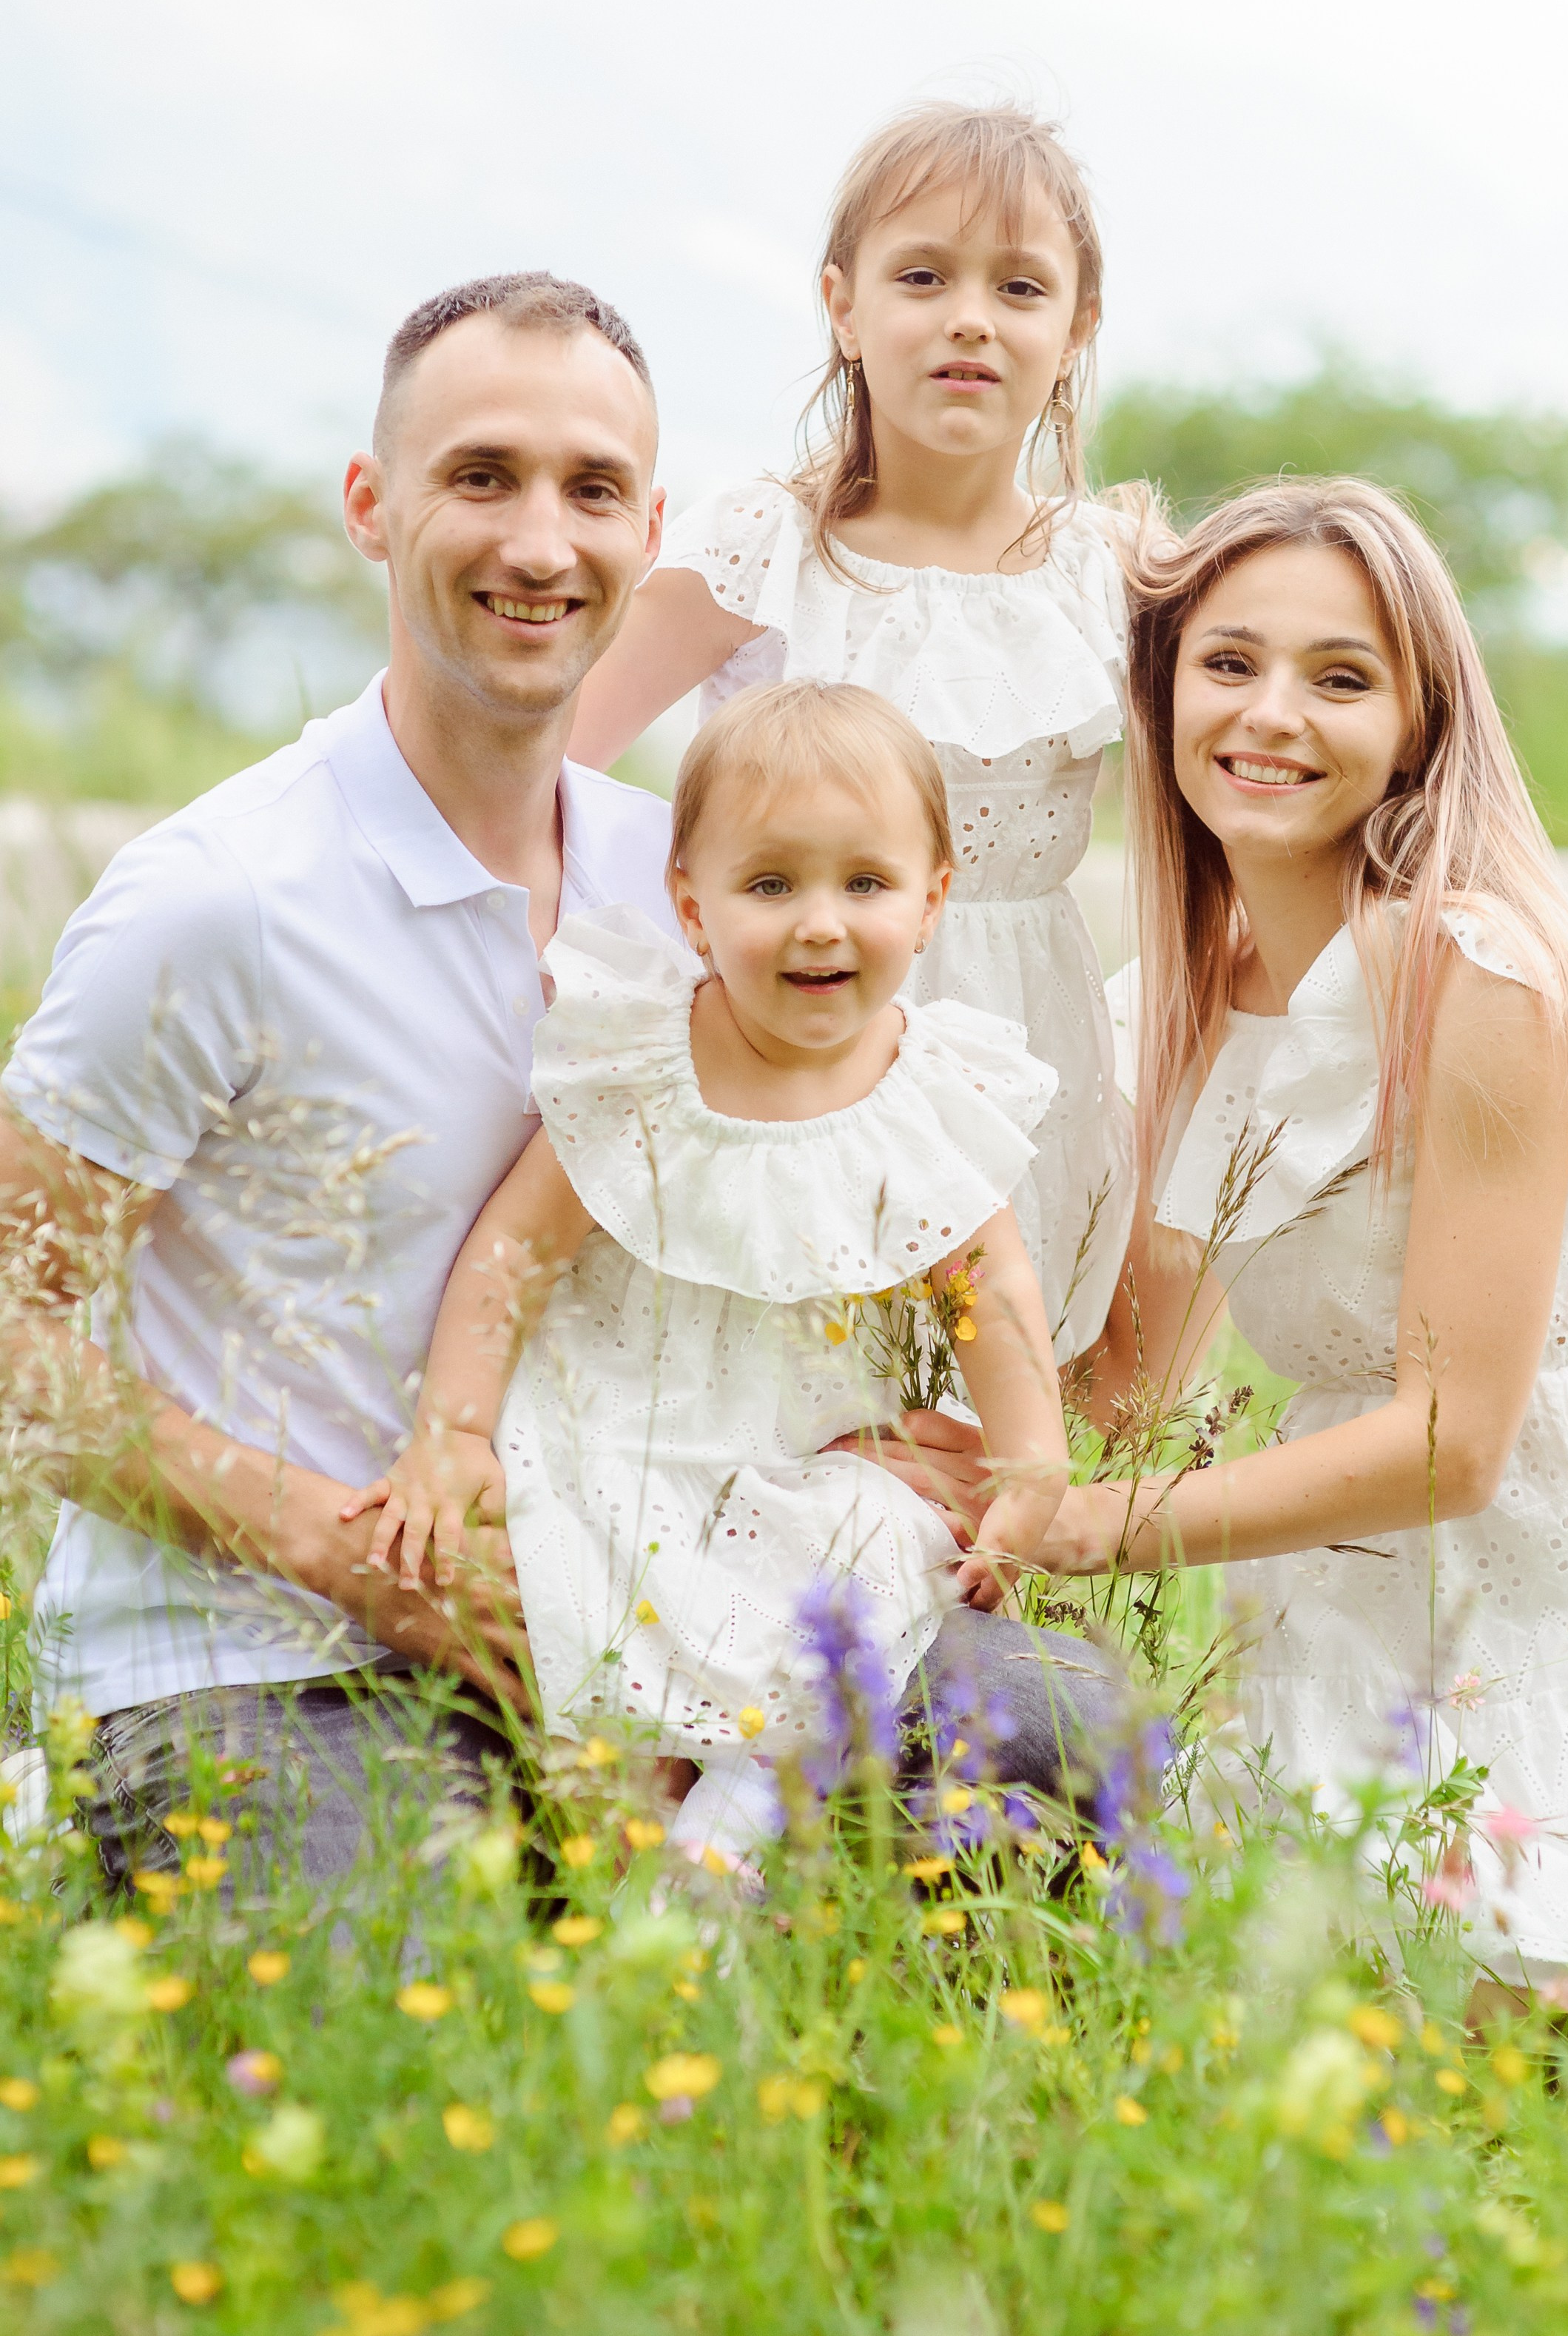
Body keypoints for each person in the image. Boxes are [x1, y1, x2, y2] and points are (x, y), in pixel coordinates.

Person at [906, 478, 1568, 2020]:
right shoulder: (1176, 993)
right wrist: (933, 1375)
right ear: (1162, 696)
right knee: (1356, 2071)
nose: (1270, 713)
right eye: (1227, 662)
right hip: (1332, 1584)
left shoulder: (1481, 971)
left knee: (1553, 2062)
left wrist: (1086, 1528)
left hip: (1557, 1574)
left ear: (1420, 722)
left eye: (1340, 675)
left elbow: (1453, 1440)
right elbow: (1129, 1386)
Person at [0, 271, 676, 1882]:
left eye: (592, 489)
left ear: (653, 528)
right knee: (430, 2054)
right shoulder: (218, 894)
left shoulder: (683, 885)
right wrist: (346, 1551)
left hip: (597, 1659)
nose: (539, 542)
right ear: (374, 506)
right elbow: (13, 1324)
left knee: (1033, 1727)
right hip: (247, 1666)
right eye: (481, 476)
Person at [340, 679, 1083, 1869]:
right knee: (591, 1633)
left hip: (805, 1452)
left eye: (866, 883)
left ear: (933, 899)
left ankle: (727, 1846)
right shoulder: (645, 1059)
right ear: (692, 903)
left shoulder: (929, 1086)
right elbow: (513, 1252)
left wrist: (1030, 1459)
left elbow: (985, 1287)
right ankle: (618, 1860)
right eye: (770, 884)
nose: (820, 924)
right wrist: (456, 1430)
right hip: (620, 1438)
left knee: (863, 1571)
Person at [566, 102, 1135, 1363]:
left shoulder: (1103, 572)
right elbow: (549, 757)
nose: (969, 318)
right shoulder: (766, 546)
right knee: (782, 1388)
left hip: (1023, 1036)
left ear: (1076, 323)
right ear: (843, 303)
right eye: (922, 275)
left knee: (978, 1425)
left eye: (1020, 285)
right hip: (790, 1010)